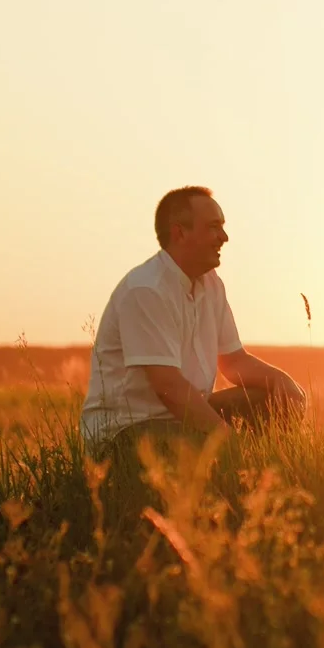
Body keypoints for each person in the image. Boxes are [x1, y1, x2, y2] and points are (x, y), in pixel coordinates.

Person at [80, 186, 307, 463]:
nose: (224, 237)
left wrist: (285, 385)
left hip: (179, 417)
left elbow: (234, 362)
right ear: (180, 233)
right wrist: (225, 439)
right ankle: (240, 474)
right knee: (215, 450)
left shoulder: (211, 284)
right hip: (129, 429)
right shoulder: (146, 289)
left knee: (272, 399)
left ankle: (268, 476)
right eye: (214, 227)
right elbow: (169, 387)